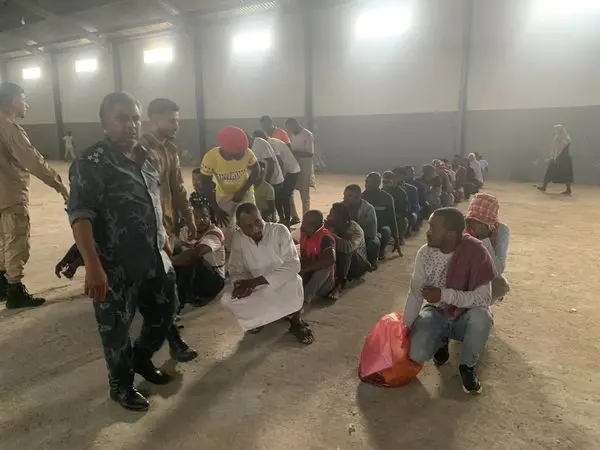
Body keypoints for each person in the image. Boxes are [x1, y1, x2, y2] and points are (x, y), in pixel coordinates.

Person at [67, 92, 179, 411]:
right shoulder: (91, 163)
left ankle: (141, 359)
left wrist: (163, 236)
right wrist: (92, 266)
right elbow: (80, 216)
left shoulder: (146, 156)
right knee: (116, 330)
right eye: (122, 118)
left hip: (155, 257)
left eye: (135, 118)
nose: (131, 125)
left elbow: (154, 200)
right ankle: (121, 385)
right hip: (114, 266)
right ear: (104, 122)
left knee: (166, 311)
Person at [404, 208, 497, 395]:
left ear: (450, 234)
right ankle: (441, 341)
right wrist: (404, 330)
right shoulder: (425, 253)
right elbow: (415, 294)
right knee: (416, 353)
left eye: (433, 228)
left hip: (466, 315)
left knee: (482, 318)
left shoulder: (476, 252)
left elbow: (484, 298)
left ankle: (467, 367)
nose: (427, 232)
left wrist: (443, 295)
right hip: (436, 311)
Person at [0, 82, 70, 308]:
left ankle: (1, 284)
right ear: (13, 101)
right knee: (16, 240)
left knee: (2, 240)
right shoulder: (9, 129)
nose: (26, 104)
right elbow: (33, 161)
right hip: (10, 194)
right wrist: (59, 184)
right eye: (23, 99)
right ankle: (15, 290)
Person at [221, 203, 314, 345]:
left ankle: (296, 321)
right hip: (256, 286)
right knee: (227, 299)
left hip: (281, 281)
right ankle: (259, 319)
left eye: (257, 221)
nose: (255, 228)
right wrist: (240, 284)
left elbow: (293, 265)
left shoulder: (279, 230)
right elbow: (235, 269)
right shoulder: (238, 237)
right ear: (239, 226)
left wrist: (255, 282)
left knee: (295, 283)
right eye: (248, 226)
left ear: (261, 216)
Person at [140, 98, 195, 242]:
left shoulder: (170, 149)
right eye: (172, 121)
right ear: (155, 120)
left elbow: (177, 187)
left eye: (177, 121)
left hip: (169, 225)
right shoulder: (141, 150)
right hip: (149, 229)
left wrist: (188, 215)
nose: (177, 126)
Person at [200, 126, 260, 247]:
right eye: (238, 153)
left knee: (252, 222)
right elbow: (206, 186)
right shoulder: (210, 158)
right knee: (225, 226)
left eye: (243, 150)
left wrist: (243, 191)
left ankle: (254, 247)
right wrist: (217, 209)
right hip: (224, 194)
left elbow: (256, 170)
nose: (242, 154)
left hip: (245, 191)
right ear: (225, 149)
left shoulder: (247, 152)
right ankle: (229, 250)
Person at [172, 199, 225, 307]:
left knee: (193, 258)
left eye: (204, 216)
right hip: (196, 278)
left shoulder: (215, 233)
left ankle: (179, 303)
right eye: (196, 217)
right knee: (179, 257)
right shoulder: (184, 231)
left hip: (214, 281)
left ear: (210, 217)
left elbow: (194, 254)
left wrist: (169, 260)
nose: (200, 220)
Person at [465, 193, 510, 300]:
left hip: (484, 273)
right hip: (462, 272)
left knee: (500, 286)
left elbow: (498, 269)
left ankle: (481, 304)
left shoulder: (501, 231)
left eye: (481, 222)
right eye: (473, 220)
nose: (475, 225)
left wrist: (484, 239)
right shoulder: (462, 227)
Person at [326, 202, 370, 299]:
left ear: (341, 218)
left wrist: (329, 233)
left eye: (332, 215)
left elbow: (348, 247)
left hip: (358, 265)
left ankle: (340, 285)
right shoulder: (333, 226)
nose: (328, 217)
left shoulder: (355, 229)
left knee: (346, 252)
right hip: (343, 264)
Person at [362, 172, 402, 259]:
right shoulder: (361, 197)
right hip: (364, 228)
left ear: (378, 183)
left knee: (386, 231)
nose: (367, 184)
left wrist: (396, 240)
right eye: (366, 182)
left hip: (380, 229)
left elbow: (392, 220)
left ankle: (381, 250)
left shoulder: (387, 198)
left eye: (370, 182)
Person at [299, 210, 336, 304]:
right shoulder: (304, 232)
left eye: (305, 222)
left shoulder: (325, 238)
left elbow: (330, 259)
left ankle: (305, 299)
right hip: (308, 276)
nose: (302, 224)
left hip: (322, 284)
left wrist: (306, 269)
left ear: (315, 225)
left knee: (326, 266)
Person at [266, 133, 301, 226]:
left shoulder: (271, 144)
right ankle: (283, 220)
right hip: (288, 171)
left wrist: (280, 179)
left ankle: (286, 221)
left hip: (291, 172)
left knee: (284, 198)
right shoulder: (272, 141)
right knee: (279, 197)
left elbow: (280, 162)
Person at [285, 118, 315, 220]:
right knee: (289, 191)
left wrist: (294, 152)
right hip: (294, 165)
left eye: (290, 127)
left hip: (305, 166)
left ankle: (306, 217)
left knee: (304, 194)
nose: (290, 130)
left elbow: (310, 153)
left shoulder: (307, 134)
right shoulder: (291, 135)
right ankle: (294, 216)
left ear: (296, 124)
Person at [343, 184, 379, 268]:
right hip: (345, 234)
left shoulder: (369, 208)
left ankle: (370, 263)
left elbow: (368, 228)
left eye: (349, 196)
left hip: (365, 235)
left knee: (373, 244)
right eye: (344, 195)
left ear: (358, 197)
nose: (344, 198)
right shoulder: (341, 206)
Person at [537, 124, 573, 195]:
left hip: (564, 158)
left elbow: (565, 145)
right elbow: (554, 149)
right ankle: (544, 186)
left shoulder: (566, 137)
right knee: (549, 171)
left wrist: (560, 139)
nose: (555, 131)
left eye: (557, 129)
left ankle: (568, 189)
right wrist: (552, 157)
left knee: (566, 174)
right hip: (556, 157)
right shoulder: (556, 138)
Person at [382, 171, 413, 236]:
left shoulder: (401, 193)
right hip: (383, 216)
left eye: (388, 182)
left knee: (403, 221)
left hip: (397, 216)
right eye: (384, 182)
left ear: (394, 182)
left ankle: (400, 237)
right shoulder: (380, 192)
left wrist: (393, 216)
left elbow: (405, 211)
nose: (385, 184)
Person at [393, 168, 421, 232]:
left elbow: (415, 204)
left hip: (408, 212)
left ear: (403, 176)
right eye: (395, 175)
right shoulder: (388, 189)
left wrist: (413, 214)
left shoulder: (412, 189)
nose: (397, 177)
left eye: (398, 175)